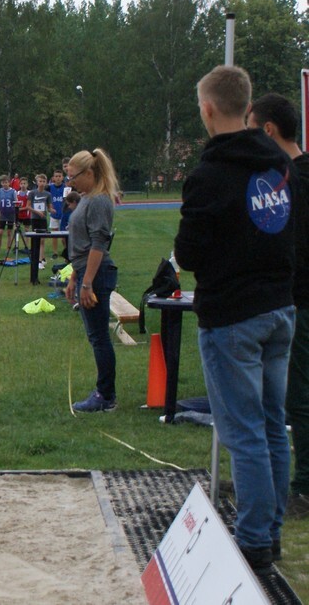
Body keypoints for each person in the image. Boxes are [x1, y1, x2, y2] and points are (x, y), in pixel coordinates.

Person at [175, 66, 295, 574]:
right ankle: (271, 530)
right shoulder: (276, 161)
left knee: (244, 433)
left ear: (207, 110)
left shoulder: (209, 175)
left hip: (232, 316)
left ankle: (253, 542)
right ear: (248, 108)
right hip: (279, 306)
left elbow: (188, 253)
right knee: (271, 426)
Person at [247, 92, 309, 521]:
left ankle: (302, 486)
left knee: (297, 396)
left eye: (252, 131)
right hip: (291, 299)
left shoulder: (293, 181)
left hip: (298, 300)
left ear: (268, 130)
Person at [64, 149, 120, 413]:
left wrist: (87, 283)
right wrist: (74, 277)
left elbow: (98, 244)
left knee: (99, 337)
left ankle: (106, 396)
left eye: (73, 177)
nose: (71, 182)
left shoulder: (98, 200)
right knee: (95, 336)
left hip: (96, 274)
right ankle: (104, 393)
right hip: (86, 271)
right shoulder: (87, 198)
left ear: (89, 173)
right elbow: (83, 244)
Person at [0, 174, 17, 255]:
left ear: (9, 182)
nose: (5, 184)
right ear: (1, 183)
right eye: (3, 182)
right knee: (0, 232)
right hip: (3, 214)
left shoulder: (13, 191)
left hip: (10, 214)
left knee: (9, 232)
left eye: (6, 182)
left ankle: (8, 249)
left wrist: (15, 213)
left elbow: (16, 202)